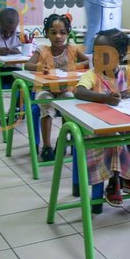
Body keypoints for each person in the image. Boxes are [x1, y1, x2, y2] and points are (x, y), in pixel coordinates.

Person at [74, 28, 130, 206]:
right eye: (96, 52)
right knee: (115, 137)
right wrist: (105, 98)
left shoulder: (128, 73)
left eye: (104, 54)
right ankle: (117, 182)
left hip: (125, 124)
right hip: (98, 131)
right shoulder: (93, 75)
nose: (97, 58)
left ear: (120, 55)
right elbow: (79, 91)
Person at [24, 14, 89, 161]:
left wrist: (74, 66)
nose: (58, 36)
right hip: (46, 90)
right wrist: (39, 66)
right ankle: (47, 146)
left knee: (70, 105)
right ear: (47, 33)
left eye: (62, 32)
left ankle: (63, 140)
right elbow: (27, 65)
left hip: (65, 90)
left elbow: (86, 61)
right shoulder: (43, 50)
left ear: (67, 33)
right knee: (46, 107)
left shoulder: (71, 49)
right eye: (53, 33)